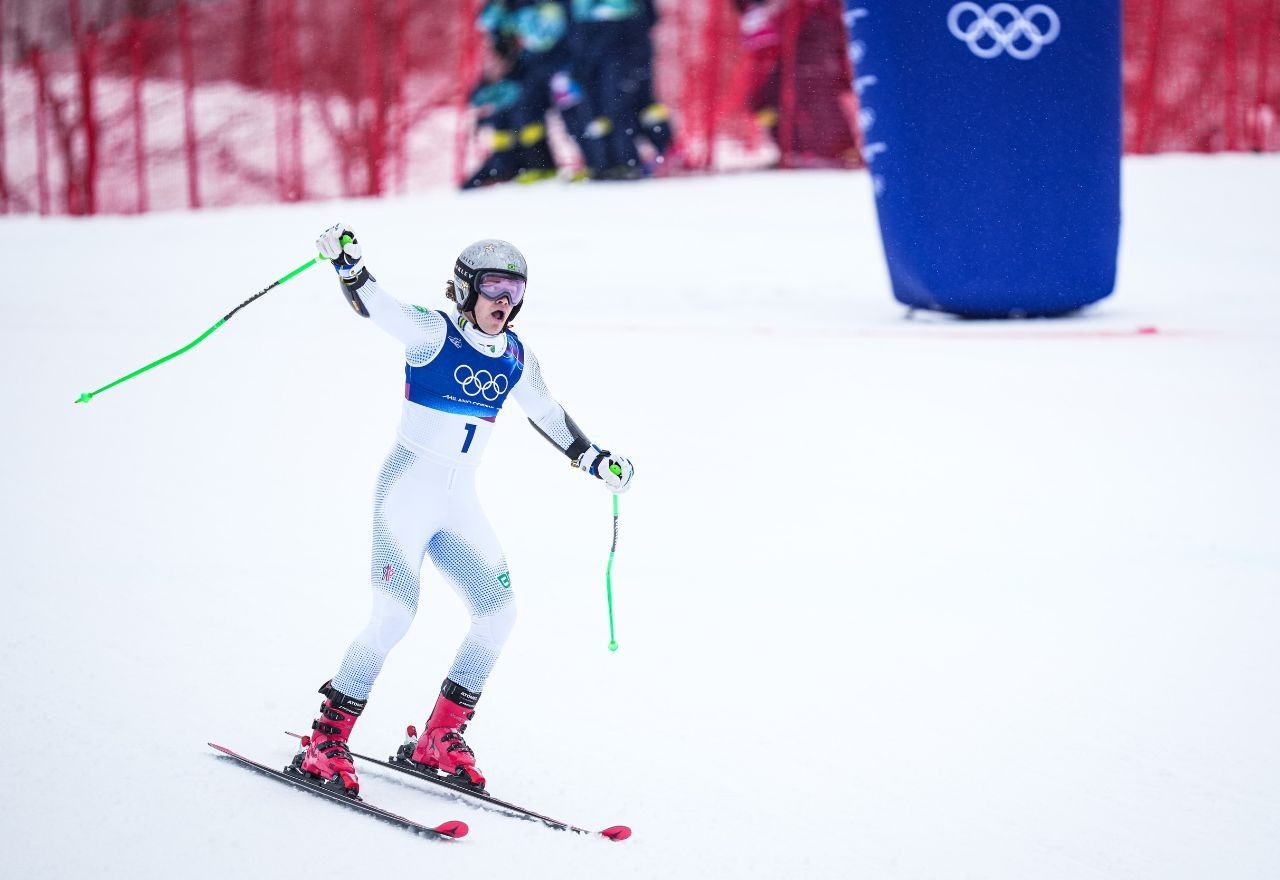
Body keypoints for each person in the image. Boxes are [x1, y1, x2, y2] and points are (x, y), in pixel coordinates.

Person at [294, 224, 635, 796]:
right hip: (406, 492)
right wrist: (350, 267)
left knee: (498, 613)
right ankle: (326, 740)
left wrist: (594, 459)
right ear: (464, 288)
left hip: (458, 503)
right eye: (494, 287)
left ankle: (440, 736)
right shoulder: (434, 331)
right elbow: (378, 309)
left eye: (515, 291)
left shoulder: (515, 356)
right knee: (395, 616)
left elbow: (549, 415)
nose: (505, 302)